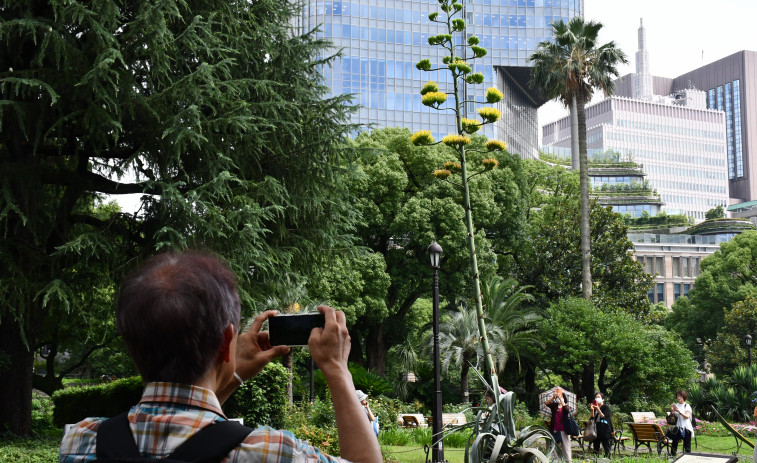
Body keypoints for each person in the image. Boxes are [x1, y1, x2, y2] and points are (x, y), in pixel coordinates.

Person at [59, 250, 382, 463]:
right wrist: (337, 369)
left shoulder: (82, 442)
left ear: (130, 344)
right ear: (228, 339)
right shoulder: (270, 452)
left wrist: (228, 375)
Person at [546, 387, 573, 463]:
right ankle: (555, 461)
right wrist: (553, 397)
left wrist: (561, 400)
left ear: (564, 398)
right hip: (555, 430)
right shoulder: (554, 406)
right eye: (558, 396)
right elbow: (547, 403)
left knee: (566, 448)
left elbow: (567, 410)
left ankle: (568, 461)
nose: (559, 397)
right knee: (555, 448)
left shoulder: (566, 406)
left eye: (560, 396)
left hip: (564, 430)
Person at [669, 389, 695, 456]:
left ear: (684, 397)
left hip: (686, 427)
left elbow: (687, 416)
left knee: (687, 444)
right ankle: (673, 456)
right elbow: (673, 417)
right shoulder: (676, 405)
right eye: (677, 396)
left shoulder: (687, 405)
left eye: (680, 396)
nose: (678, 398)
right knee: (674, 442)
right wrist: (672, 410)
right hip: (678, 427)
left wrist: (679, 411)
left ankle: (687, 457)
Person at [590, 391, 613, 458]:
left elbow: (604, 416)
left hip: (605, 429)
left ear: (603, 399)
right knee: (596, 446)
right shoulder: (595, 407)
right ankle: (596, 458)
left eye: (598, 397)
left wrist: (598, 409)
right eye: (596, 397)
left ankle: (607, 458)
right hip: (596, 429)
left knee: (606, 446)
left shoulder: (605, 407)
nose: (597, 398)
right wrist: (592, 410)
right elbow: (592, 418)